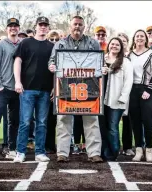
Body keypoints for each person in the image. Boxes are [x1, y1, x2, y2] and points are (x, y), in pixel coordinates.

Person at [48, 15, 104, 163]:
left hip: (89, 87)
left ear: (84, 27)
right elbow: (52, 62)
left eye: (80, 24)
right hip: (65, 86)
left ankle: (94, 153)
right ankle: (62, 153)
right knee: (63, 119)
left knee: (91, 119)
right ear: (70, 27)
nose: (77, 27)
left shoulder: (93, 44)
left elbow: (99, 64)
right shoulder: (60, 44)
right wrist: (51, 66)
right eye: (75, 24)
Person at [13, 16, 54, 163]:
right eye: (40, 25)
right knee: (25, 121)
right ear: (36, 26)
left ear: (48, 28)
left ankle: (40, 152)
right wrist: (17, 81)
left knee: (42, 122)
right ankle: (20, 152)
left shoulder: (52, 46)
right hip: (27, 89)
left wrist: (55, 87)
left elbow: (56, 69)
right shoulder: (25, 42)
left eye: (45, 25)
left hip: (45, 90)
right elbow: (18, 61)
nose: (43, 27)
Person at [0, 18, 21, 161]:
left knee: (14, 121)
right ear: (7, 29)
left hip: (17, 89)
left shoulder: (22, 44)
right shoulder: (0, 44)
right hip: (2, 89)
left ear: (19, 28)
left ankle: (11, 149)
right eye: (10, 26)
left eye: (15, 26)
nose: (13, 28)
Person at [128, 29, 152, 162]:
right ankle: (138, 150)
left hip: (147, 89)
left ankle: (148, 150)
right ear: (134, 39)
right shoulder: (129, 55)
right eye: (137, 36)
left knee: (147, 120)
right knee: (135, 121)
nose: (140, 38)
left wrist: (149, 90)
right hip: (132, 90)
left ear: (146, 39)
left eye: (142, 36)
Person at [102, 37, 133, 160]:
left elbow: (128, 81)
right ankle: (104, 152)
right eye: (112, 44)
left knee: (113, 127)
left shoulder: (125, 62)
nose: (114, 46)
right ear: (108, 45)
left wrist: (123, 97)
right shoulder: (101, 59)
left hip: (116, 99)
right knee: (103, 127)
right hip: (102, 99)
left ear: (121, 48)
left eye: (117, 45)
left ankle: (113, 153)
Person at [117, 32, 135, 156]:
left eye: (124, 41)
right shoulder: (110, 56)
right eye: (120, 40)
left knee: (128, 120)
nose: (122, 43)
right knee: (113, 121)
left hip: (129, 92)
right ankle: (115, 146)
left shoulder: (131, 57)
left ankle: (128, 147)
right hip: (114, 92)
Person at [45, 30, 61, 154]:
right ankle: (43, 144)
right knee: (42, 119)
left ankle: (51, 145)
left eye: (56, 39)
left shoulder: (60, 53)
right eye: (52, 39)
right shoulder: (46, 52)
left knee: (54, 120)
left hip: (58, 89)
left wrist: (55, 88)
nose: (54, 42)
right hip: (44, 88)